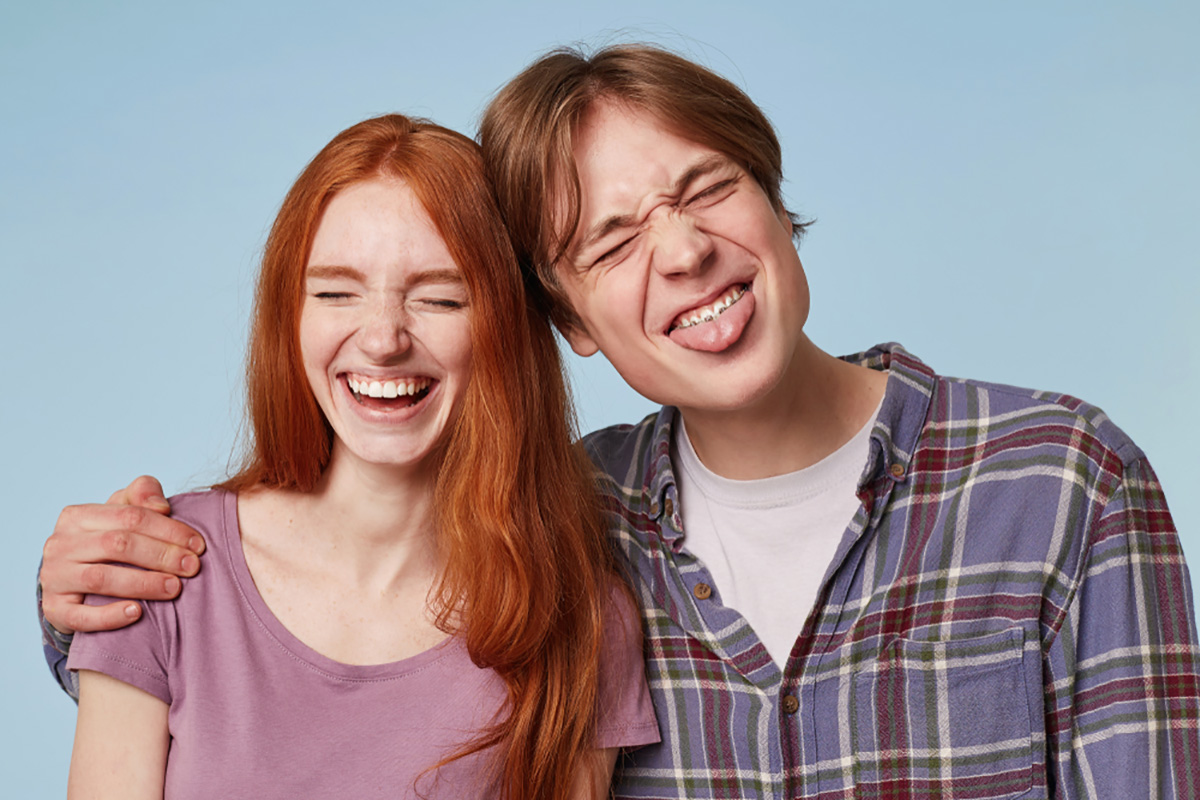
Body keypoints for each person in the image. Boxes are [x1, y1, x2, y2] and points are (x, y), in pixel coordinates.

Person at [41, 44, 1198, 799]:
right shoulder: (561, 525)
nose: (684, 251)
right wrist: (94, 601)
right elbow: (316, 613)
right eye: (611, 242)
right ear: (572, 323)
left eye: (703, 190)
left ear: (775, 197)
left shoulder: (1063, 482)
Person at [55, 113, 658, 800]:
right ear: (291, 316)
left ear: (506, 330)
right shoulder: (157, 568)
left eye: (439, 297)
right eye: (336, 292)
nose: (382, 339)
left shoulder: (577, 617)